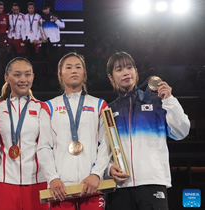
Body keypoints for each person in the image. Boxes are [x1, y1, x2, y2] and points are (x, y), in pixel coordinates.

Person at [105, 51, 190, 210]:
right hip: (120, 187)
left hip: (153, 181)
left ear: (136, 72)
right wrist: (109, 168)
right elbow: (104, 149)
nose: (125, 72)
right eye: (119, 69)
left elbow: (182, 132)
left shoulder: (158, 101)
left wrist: (169, 100)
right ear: (111, 77)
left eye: (129, 67)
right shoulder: (109, 111)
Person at [37, 52, 111, 210]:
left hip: (92, 183)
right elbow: (44, 146)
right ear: (60, 74)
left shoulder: (99, 104)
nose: (74, 71)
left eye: (78, 67)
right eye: (68, 67)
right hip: (61, 186)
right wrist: (53, 178)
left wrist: (96, 174)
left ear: (84, 73)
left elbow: (106, 144)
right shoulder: (49, 107)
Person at [0, 57, 48, 210]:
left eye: (27, 74)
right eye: (17, 75)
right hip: (3, 180)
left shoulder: (43, 108)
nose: (23, 79)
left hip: (38, 180)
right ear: (6, 78)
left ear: (33, 77)